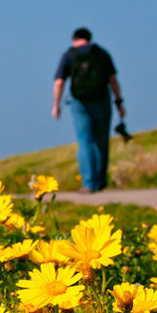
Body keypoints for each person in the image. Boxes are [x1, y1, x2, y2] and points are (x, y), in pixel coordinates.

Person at [52, 27, 125, 192]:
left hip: (80, 102)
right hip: (102, 100)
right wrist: (119, 102)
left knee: (85, 141)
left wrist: (56, 105)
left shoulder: (69, 55)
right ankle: (100, 182)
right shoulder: (101, 53)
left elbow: (59, 82)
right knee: (101, 141)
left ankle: (88, 183)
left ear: (74, 39)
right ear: (89, 38)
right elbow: (113, 80)